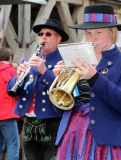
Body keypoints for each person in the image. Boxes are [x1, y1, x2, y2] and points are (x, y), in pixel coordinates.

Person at [52, 4, 121, 160]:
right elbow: (60, 110)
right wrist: (60, 82)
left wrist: (94, 77)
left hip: (108, 142)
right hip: (72, 136)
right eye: (88, 33)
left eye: (98, 32)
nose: (92, 39)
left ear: (112, 33)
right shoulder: (76, 59)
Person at [7, 19, 69, 160]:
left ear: (58, 39)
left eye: (48, 34)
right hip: (29, 123)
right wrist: (18, 78)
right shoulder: (28, 60)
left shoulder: (64, 62)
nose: (43, 37)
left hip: (54, 123)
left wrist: (44, 71)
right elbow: (11, 90)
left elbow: (64, 92)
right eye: (41, 34)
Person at [0, 47, 19, 160]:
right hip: (7, 115)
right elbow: (17, 92)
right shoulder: (12, 72)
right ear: (10, 59)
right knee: (12, 146)